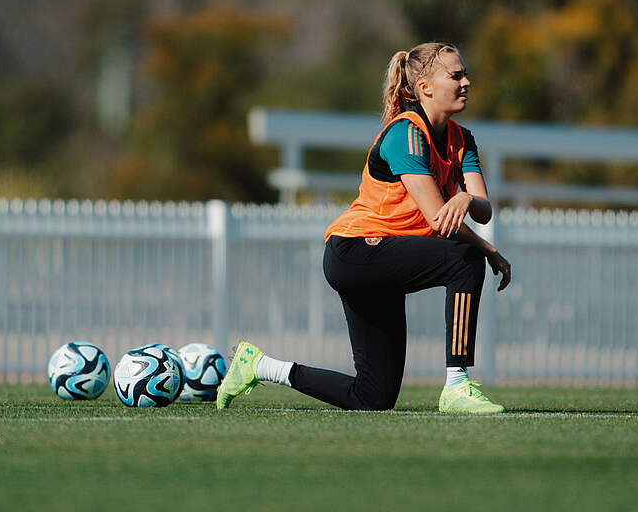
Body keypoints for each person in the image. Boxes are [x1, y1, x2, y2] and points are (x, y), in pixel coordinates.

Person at [217, 42, 512, 414]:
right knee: (464, 259)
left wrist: (471, 206)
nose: (467, 81)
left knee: (372, 398)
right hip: (355, 252)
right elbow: (440, 220)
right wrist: (481, 248)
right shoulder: (406, 134)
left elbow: (483, 211)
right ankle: (457, 385)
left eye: (465, 73)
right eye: (456, 75)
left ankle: (258, 366)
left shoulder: (462, 139)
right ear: (425, 88)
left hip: (382, 258)